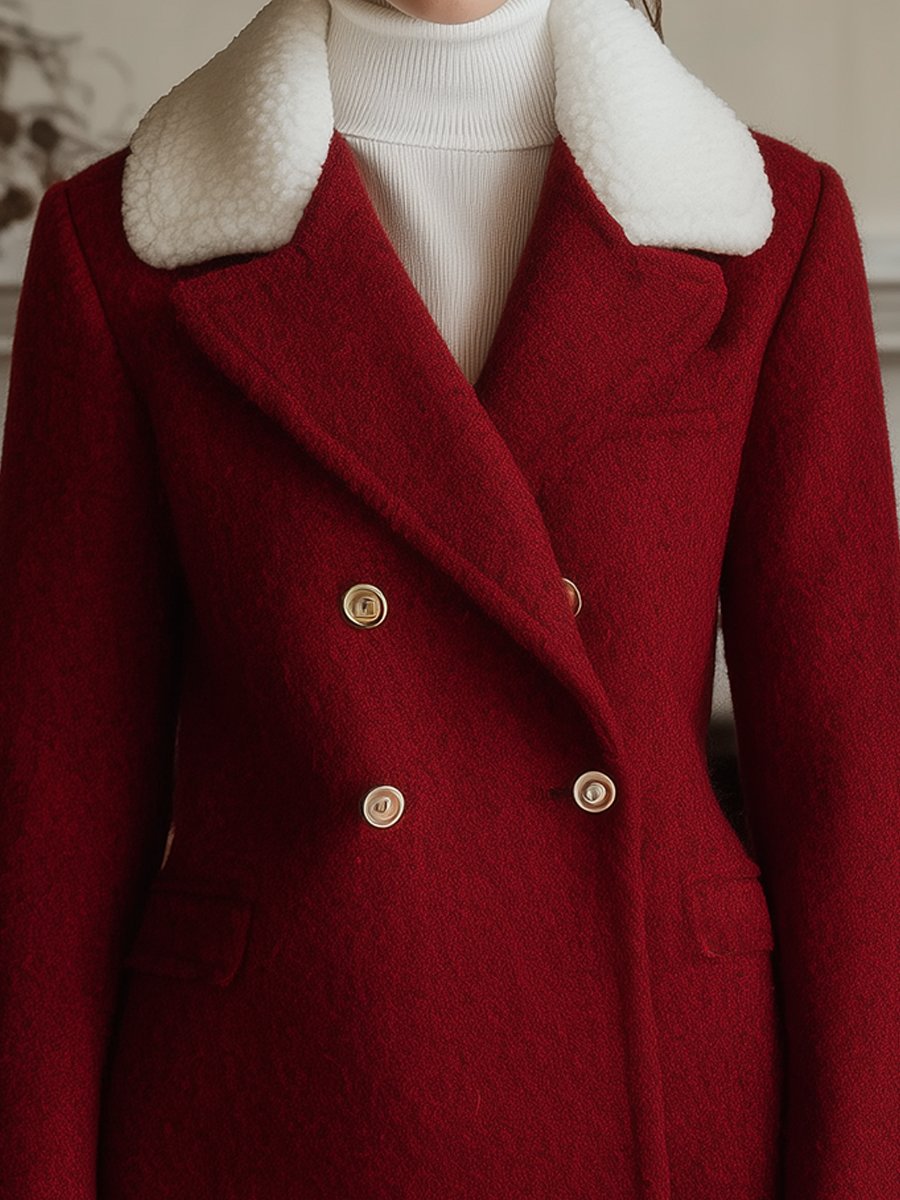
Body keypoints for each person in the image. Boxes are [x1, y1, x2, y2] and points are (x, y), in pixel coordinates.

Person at [1, 0, 897, 1196]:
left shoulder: (766, 231)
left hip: (679, 1106)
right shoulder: (122, 247)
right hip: (274, 1100)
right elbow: (51, 817)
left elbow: (854, 791)